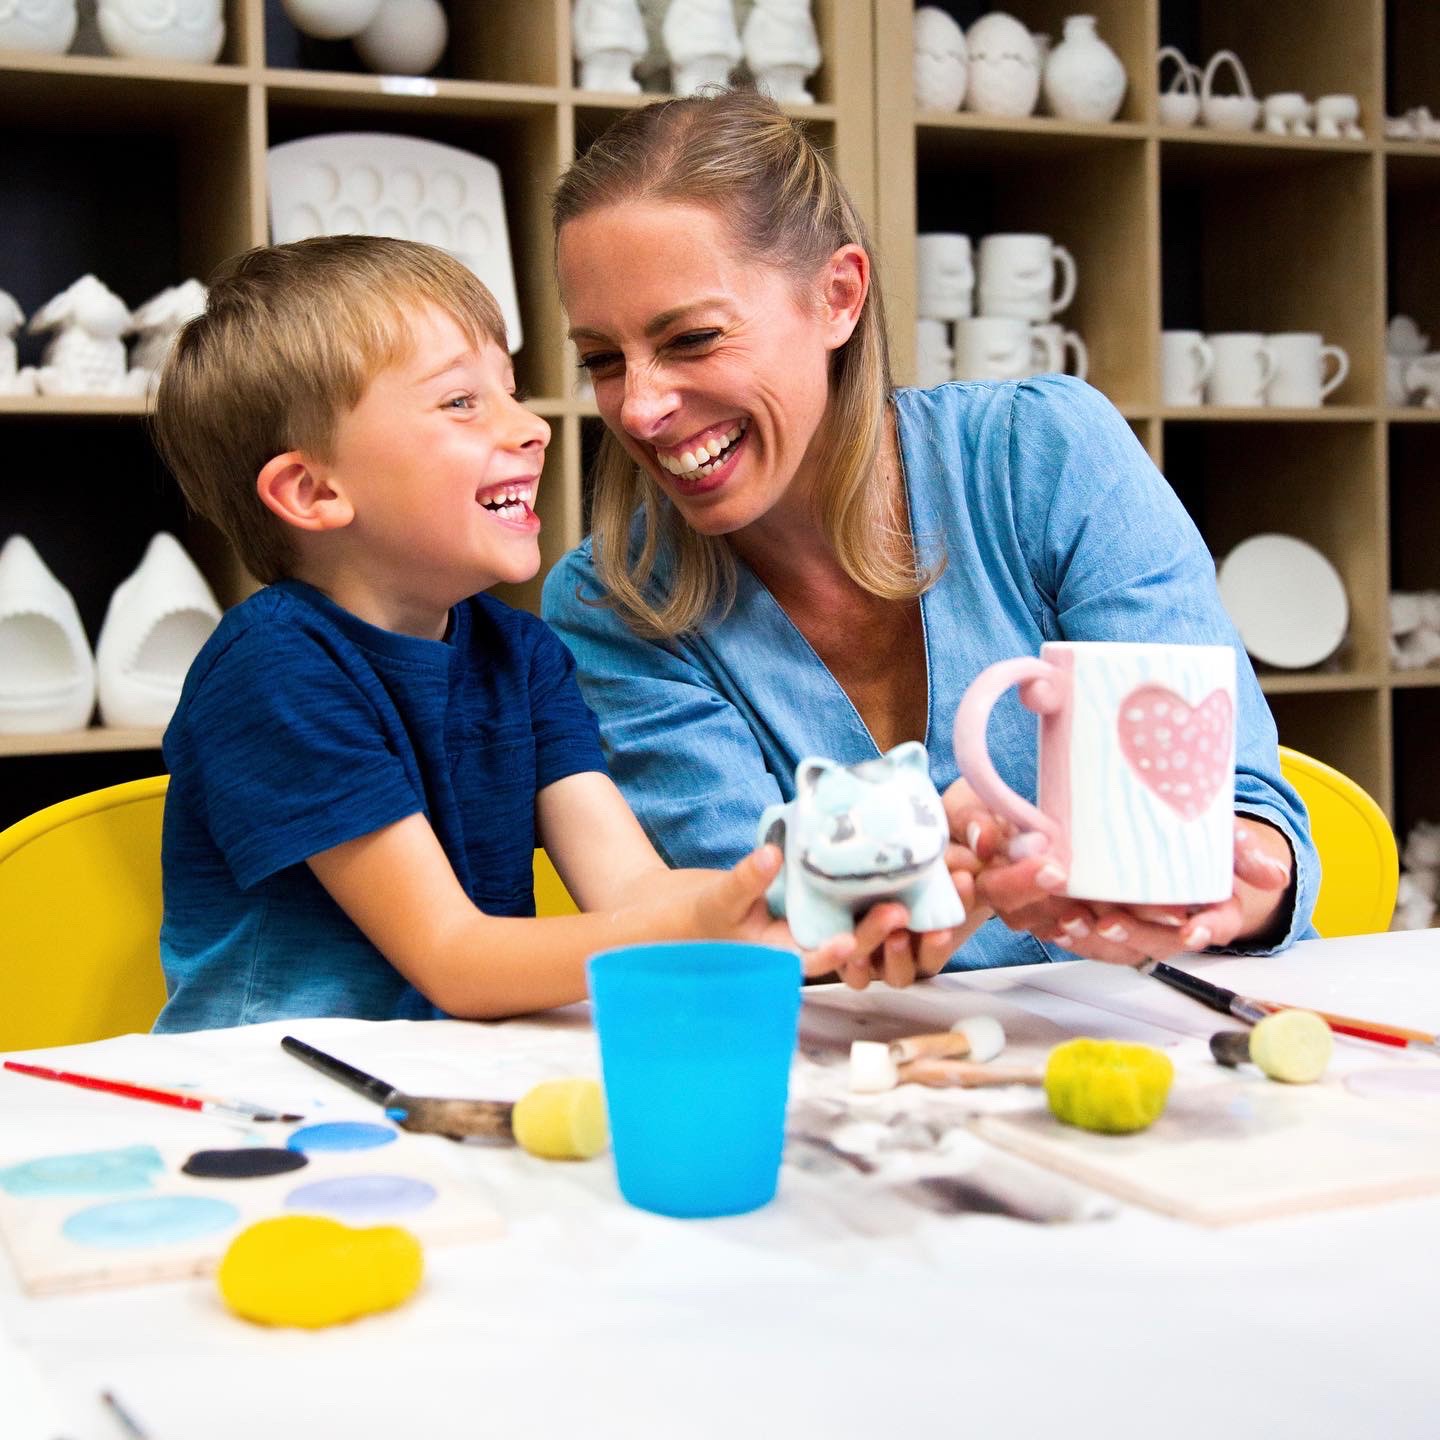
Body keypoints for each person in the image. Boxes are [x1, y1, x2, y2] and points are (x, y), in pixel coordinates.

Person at [541, 89, 1317, 989]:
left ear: (838, 296)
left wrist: (1235, 879)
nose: (637, 408)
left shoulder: (1044, 455)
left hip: (1179, 1040)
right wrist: (870, 905)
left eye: (693, 338)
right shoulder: (614, 603)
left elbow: (1248, 814)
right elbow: (746, 921)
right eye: (601, 359)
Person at [149, 235, 888, 1033]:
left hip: (449, 1079)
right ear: (313, 489)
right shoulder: (274, 670)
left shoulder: (522, 656)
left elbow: (633, 891)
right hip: (271, 1105)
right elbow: (455, 958)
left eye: (512, 390)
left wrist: (805, 898)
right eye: (461, 402)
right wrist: (710, 922)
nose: (531, 428)